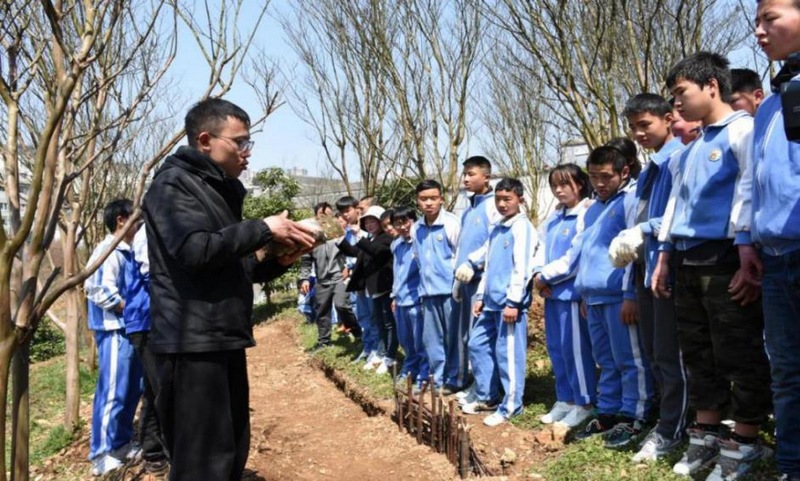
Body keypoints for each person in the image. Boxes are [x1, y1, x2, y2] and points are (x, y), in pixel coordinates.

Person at [143, 98, 314, 480]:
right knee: (204, 458)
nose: (247, 153)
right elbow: (194, 250)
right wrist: (263, 228)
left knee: (231, 444)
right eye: (240, 142)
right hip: (191, 341)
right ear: (205, 140)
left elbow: (227, 265)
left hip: (220, 334)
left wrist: (274, 260)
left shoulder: (218, 189)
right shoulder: (172, 186)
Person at [652, 52, 772, 480]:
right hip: (687, 259)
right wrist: (664, 257)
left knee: (737, 351)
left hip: (724, 260)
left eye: (681, 93)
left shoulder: (742, 131)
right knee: (698, 352)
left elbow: (748, 191)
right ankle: (705, 430)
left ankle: (745, 437)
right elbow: (674, 205)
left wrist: (744, 249)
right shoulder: (692, 146)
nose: (676, 104)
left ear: (711, 87)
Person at [610, 93, 690, 462]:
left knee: (671, 355)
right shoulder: (652, 168)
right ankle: (668, 420)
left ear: (668, 118)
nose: (638, 133)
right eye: (633, 127)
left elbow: (681, 214)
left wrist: (644, 229)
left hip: (668, 268)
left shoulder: (679, 159)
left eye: (645, 125)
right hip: (645, 270)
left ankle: (675, 428)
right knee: (655, 354)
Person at [573, 141, 654, 450]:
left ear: (623, 172)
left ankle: (635, 415)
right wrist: (584, 294)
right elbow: (586, 254)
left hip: (619, 297)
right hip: (593, 298)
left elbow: (632, 253)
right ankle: (608, 410)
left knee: (630, 359)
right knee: (605, 360)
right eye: (593, 176)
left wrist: (631, 294)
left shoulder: (630, 201)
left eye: (606, 176)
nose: (599, 183)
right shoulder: (593, 208)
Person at [752, 2, 800, 479]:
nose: (760, 29)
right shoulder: (770, 104)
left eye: (771, 17)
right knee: (786, 371)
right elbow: (759, 182)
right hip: (776, 258)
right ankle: (791, 464)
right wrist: (751, 241)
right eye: (757, 21)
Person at [467, 178, 537, 427]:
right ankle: (488, 396)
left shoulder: (522, 228)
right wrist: (480, 297)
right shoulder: (497, 228)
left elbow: (523, 267)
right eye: (498, 199)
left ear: (520, 199)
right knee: (477, 345)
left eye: (507, 199)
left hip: (509, 305)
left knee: (508, 355)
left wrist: (514, 302)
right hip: (490, 303)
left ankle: (511, 406)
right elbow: (488, 267)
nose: (502, 204)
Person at [532, 164, 596, 429]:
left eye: (564, 184)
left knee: (576, 350)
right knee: (557, 349)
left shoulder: (586, 213)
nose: (558, 190)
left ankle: (585, 402)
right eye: (554, 186)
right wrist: (537, 273)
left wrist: (544, 276)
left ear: (579, 184)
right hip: (551, 294)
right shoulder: (554, 217)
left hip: (570, 294)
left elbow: (574, 258)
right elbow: (540, 247)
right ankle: (565, 398)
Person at [84, 199, 143, 476]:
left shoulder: (129, 251)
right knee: (112, 392)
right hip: (113, 330)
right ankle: (101, 453)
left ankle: (120, 443)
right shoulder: (107, 250)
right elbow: (97, 290)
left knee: (132, 389)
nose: (140, 224)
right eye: (136, 219)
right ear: (121, 220)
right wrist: (130, 307)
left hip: (129, 329)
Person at [453, 156, 502, 401]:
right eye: (465, 174)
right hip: (466, 281)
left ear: (487, 176)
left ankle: (488, 390)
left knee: (480, 338)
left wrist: (475, 264)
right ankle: (478, 384)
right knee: (467, 337)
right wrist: (458, 279)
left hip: (482, 281)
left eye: (471, 174)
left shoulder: (494, 205)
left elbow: (495, 242)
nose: (466, 179)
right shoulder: (469, 209)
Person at [123, 224, 169, 474]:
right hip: (146, 321)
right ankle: (170, 453)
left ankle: (153, 451)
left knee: (154, 389)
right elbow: (153, 273)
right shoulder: (146, 235)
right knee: (165, 389)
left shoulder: (153, 231)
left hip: (151, 321)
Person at [412, 179, 461, 393]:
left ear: (442, 199)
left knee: (454, 338)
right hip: (428, 293)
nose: (429, 203)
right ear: (417, 202)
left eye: (433, 198)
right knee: (432, 340)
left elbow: (459, 256)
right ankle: (438, 380)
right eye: (424, 199)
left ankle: (456, 379)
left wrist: (458, 287)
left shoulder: (452, 223)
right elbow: (418, 258)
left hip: (450, 292)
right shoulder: (416, 228)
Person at [337, 206, 396, 374]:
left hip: (384, 287)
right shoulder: (371, 238)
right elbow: (357, 252)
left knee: (388, 324)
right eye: (367, 222)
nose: (369, 225)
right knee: (379, 323)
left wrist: (358, 236)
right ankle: (381, 352)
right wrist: (340, 239)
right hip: (374, 289)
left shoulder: (385, 238)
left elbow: (376, 251)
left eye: (373, 221)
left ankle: (389, 355)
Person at [299, 210, 360, 350]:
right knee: (322, 311)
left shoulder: (337, 235)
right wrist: (305, 279)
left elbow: (351, 251)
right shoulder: (312, 238)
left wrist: (348, 268)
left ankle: (356, 331)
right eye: (319, 217)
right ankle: (324, 342)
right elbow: (306, 261)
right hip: (322, 280)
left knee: (341, 305)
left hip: (339, 277)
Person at [338, 195, 380, 365]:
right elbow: (353, 252)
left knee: (373, 317)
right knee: (363, 317)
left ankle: (377, 350)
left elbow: (364, 252)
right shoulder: (349, 232)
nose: (345, 215)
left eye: (347, 210)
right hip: (359, 282)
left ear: (357, 209)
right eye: (342, 213)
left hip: (371, 281)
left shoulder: (366, 232)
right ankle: (368, 348)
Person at [390, 206, 429, 388]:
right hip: (401, 299)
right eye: (398, 223)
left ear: (414, 221)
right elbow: (397, 272)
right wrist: (394, 296)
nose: (403, 227)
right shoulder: (396, 245)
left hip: (416, 299)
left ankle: (423, 374)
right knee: (405, 339)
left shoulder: (420, 241)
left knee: (420, 339)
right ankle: (409, 368)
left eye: (406, 222)